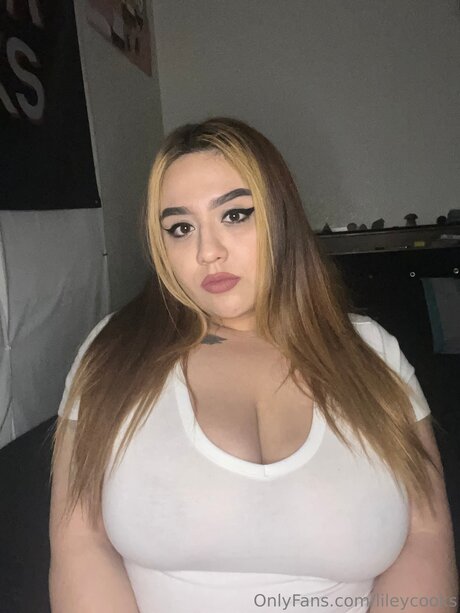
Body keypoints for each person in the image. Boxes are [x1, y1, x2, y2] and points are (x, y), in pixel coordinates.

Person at [48, 117, 458, 613]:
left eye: (236, 215)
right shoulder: (115, 351)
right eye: (181, 228)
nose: (208, 252)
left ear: (281, 218)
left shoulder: (371, 351)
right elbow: (79, 542)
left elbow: (426, 534)